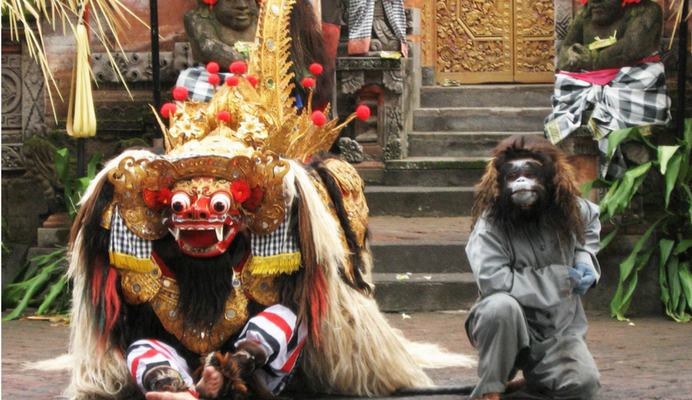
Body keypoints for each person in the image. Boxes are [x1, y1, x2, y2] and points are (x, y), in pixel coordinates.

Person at [40, 1, 473, 399]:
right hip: (175, 335)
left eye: (216, 206)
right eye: (181, 206)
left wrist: (243, 358)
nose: (196, 215)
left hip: (256, 364)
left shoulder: (285, 211)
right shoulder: (137, 216)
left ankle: (237, 372)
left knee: (285, 320)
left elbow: (300, 304)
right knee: (144, 345)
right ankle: (167, 382)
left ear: (251, 205)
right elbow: (123, 322)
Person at [465, 134, 601, 400]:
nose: (522, 182)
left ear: (550, 179)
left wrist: (585, 262)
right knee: (499, 306)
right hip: (506, 325)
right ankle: (491, 388)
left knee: (583, 387)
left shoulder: (571, 209)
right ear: (500, 182)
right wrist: (558, 279)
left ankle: (533, 387)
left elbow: (588, 230)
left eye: (530, 174)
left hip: (558, 327)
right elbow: (493, 280)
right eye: (512, 177)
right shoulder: (489, 225)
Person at [544, 0, 670, 178]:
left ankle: (626, 144)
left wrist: (593, 60)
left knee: (646, 77)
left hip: (631, 79)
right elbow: (566, 46)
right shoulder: (587, 11)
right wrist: (570, 55)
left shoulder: (645, 10)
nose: (594, 1)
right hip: (588, 79)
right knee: (565, 83)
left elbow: (630, 49)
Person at [177, 0, 332, 109]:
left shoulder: (266, 17)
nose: (242, 5)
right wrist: (254, 61)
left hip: (266, 76)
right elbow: (210, 49)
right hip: (217, 79)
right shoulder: (197, 18)